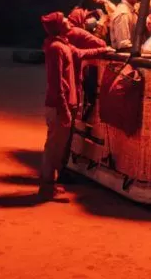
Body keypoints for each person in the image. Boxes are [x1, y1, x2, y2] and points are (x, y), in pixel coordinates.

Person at [39, 11, 110, 200]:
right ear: (57, 26)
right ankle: (47, 188)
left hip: (64, 104)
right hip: (58, 106)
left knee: (58, 145)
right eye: (63, 19)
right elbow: (56, 84)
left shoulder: (64, 45)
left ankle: (51, 184)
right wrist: (63, 109)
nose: (67, 20)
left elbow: (81, 53)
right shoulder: (56, 48)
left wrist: (103, 51)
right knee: (54, 146)